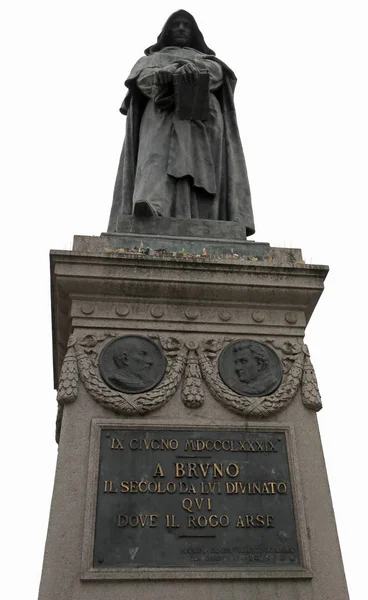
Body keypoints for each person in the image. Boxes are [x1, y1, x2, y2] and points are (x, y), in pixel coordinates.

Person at [108, 10, 255, 235]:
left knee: (202, 165)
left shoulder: (207, 60)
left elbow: (217, 75)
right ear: (166, 31)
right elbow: (142, 81)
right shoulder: (150, 60)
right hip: (161, 115)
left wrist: (194, 70)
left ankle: (206, 218)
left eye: (186, 25)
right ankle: (151, 206)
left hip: (202, 120)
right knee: (154, 158)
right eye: (176, 24)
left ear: (194, 33)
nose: (180, 28)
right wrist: (165, 75)